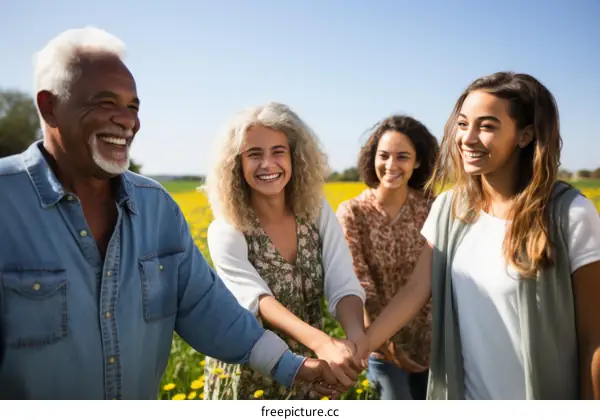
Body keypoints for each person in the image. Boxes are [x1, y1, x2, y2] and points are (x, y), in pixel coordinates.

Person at [0, 27, 338, 400]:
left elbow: (205, 307)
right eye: (105, 102)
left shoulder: (156, 207)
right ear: (49, 106)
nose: (126, 120)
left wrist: (294, 367)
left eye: (133, 107)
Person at [359, 71, 600, 400]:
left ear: (525, 135)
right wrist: (357, 348)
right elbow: (416, 289)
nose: (467, 138)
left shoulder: (569, 214)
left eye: (486, 126)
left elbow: (594, 338)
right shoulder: (449, 208)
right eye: (462, 124)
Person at [203, 102, 367, 399]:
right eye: (254, 154)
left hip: (314, 371)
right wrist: (322, 343)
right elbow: (258, 301)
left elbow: (342, 282)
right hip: (250, 375)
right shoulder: (226, 228)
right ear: (236, 165)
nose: (268, 164)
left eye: (278, 151)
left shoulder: (317, 213)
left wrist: (356, 341)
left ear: (295, 157)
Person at [336, 115, 438, 400]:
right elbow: (358, 284)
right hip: (379, 344)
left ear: (417, 162)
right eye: (384, 156)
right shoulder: (352, 212)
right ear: (372, 159)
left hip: (434, 344)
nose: (391, 166)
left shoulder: (432, 207)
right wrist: (388, 346)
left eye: (403, 157)